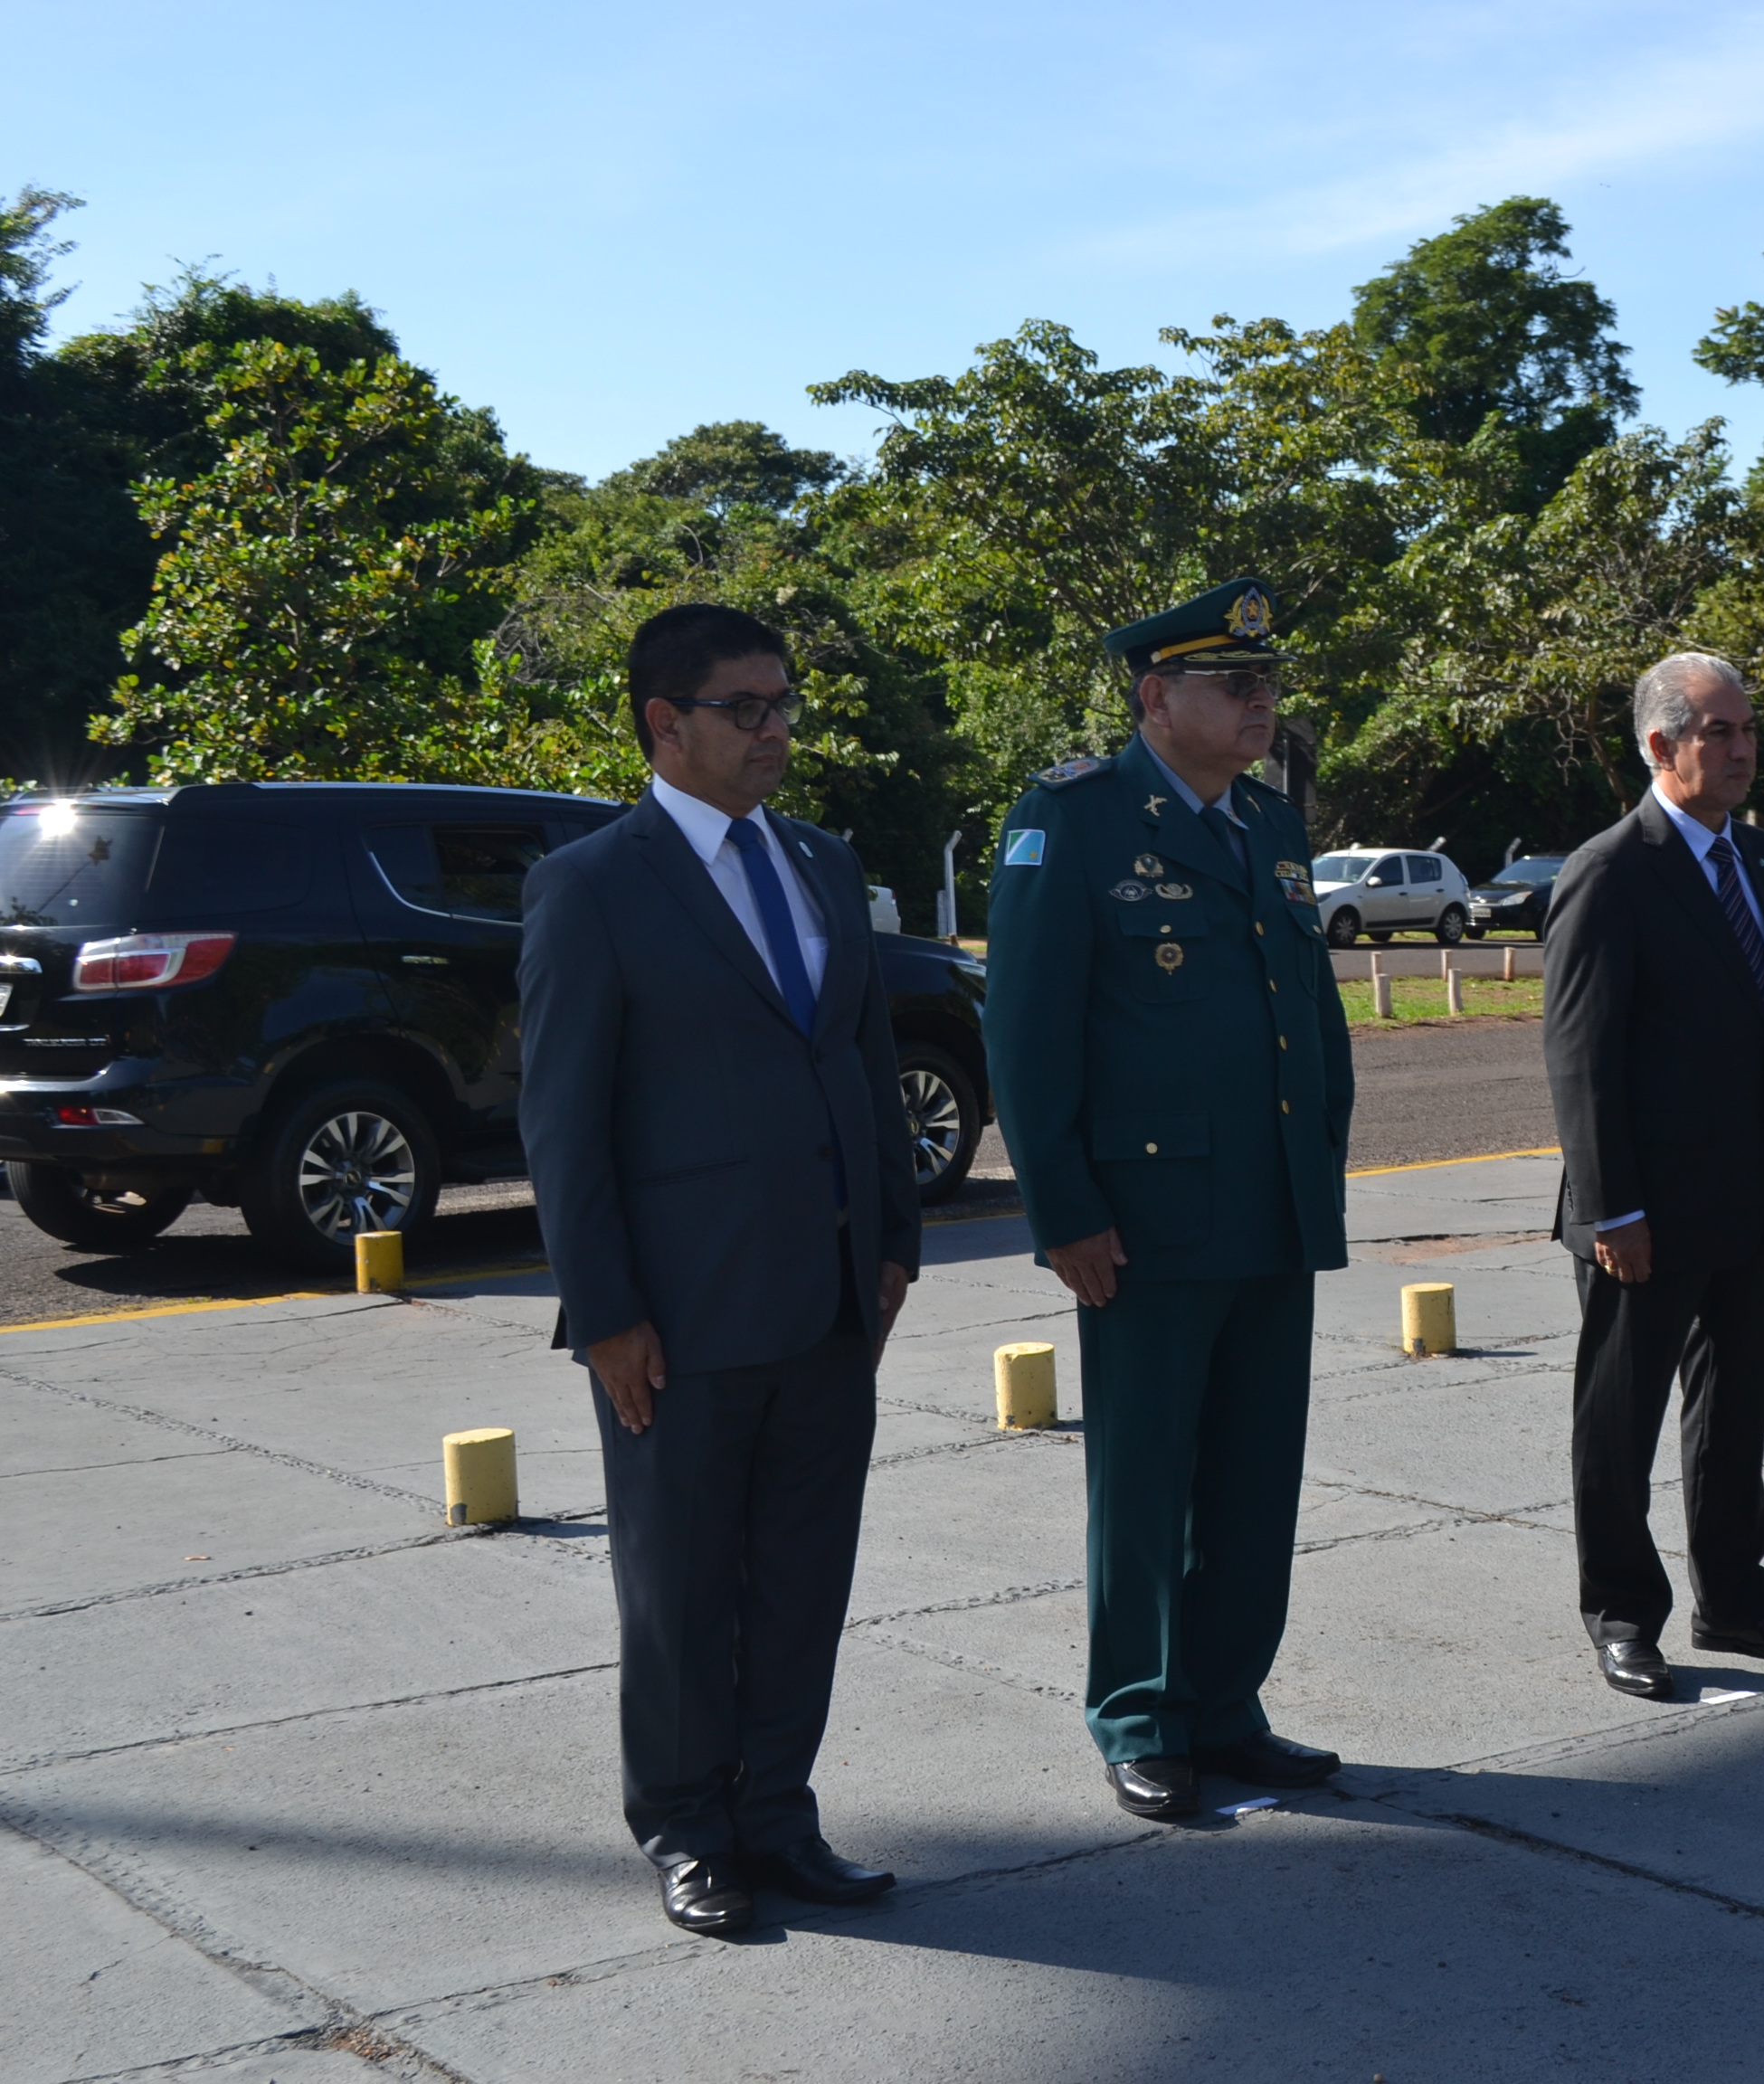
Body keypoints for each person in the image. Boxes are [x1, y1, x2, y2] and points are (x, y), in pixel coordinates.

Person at [518, 602, 922, 1937]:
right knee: (682, 1589)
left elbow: (863, 1061)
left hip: (830, 1300)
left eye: (784, 704)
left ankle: (778, 1816)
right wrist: (606, 1312)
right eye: (745, 708)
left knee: (804, 1577)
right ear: (664, 723)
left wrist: (895, 1241)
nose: (775, 730)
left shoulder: (820, 861)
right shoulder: (593, 884)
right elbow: (563, 1123)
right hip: (679, 1318)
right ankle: (688, 1827)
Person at [981, 577, 1356, 1821]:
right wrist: (1063, 1209)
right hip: (1145, 1219)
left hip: (1272, 1205)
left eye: (1268, 684)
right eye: (1233, 684)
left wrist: (1321, 1173)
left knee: (1256, 1476)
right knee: (1145, 1481)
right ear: (1156, 697)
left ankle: (1226, 1706)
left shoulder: (1273, 825)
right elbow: (1027, 1036)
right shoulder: (1072, 820)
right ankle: (1140, 1713)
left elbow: (1312, 1020)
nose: (1261, 703)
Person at [1543, 651, 1764, 1701]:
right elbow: (1581, 1058)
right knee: (1619, 1422)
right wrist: (1611, 1206)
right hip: (1645, 1209)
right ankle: (1624, 1613)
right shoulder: (1611, 870)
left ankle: (1736, 1600)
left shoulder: (1763, 860)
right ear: (1660, 745)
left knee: (1733, 1413)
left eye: (1749, 729)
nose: (1743, 748)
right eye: (1720, 732)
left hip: (1749, 1196)